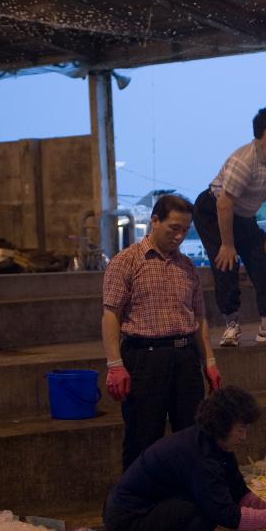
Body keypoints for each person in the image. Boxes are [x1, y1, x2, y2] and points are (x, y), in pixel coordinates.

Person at [103, 387, 266, 531]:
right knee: (208, 510)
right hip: (129, 520)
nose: (244, 436)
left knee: (213, 502)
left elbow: (239, 492)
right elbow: (228, 515)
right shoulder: (199, 456)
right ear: (222, 425)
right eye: (240, 429)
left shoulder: (216, 445)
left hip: (151, 508)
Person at [102, 195, 221, 471]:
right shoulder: (127, 261)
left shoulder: (187, 266)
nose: (179, 236)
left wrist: (210, 362)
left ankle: (186, 501)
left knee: (192, 436)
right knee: (143, 437)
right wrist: (115, 364)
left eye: (185, 230)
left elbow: (198, 319)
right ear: (154, 221)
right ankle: (135, 506)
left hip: (185, 357)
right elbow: (111, 315)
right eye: (173, 228)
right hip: (145, 357)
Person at [192, 106, 266, 346]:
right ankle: (231, 325)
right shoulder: (244, 160)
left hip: (243, 216)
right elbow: (224, 204)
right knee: (226, 263)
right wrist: (228, 245)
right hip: (213, 211)